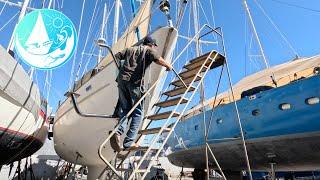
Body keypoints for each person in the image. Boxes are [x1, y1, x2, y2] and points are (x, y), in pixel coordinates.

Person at [111, 35, 173, 152]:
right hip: (135, 84)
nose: (155, 48)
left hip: (121, 82)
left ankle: (117, 132)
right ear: (151, 44)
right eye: (155, 46)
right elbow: (158, 59)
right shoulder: (148, 50)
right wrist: (168, 65)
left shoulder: (130, 49)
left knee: (125, 110)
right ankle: (129, 142)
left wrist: (121, 69)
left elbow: (117, 56)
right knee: (138, 112)